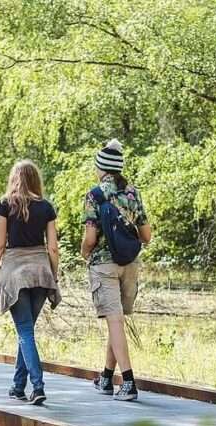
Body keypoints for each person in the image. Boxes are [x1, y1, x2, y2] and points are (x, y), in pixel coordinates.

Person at [0, 160, 61, 406]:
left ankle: (37, 386)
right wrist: (54, 276)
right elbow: (53, 248)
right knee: (25, 331)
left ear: (14, 179)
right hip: (40, 273)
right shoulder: (47, 207)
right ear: (35, 180)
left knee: (25, 331)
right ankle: (18, 386)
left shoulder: (6, 204)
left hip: (15, 273)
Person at [81, 139, 152, 401]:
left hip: (104, 265)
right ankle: (106, 378)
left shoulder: (95, 195)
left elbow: (90, 238)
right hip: (130, 264)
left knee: (115, 321)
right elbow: (147, 235)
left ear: (101, 168)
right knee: (117, 320)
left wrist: (84, 253)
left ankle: (129, 383)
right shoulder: (133, 193)